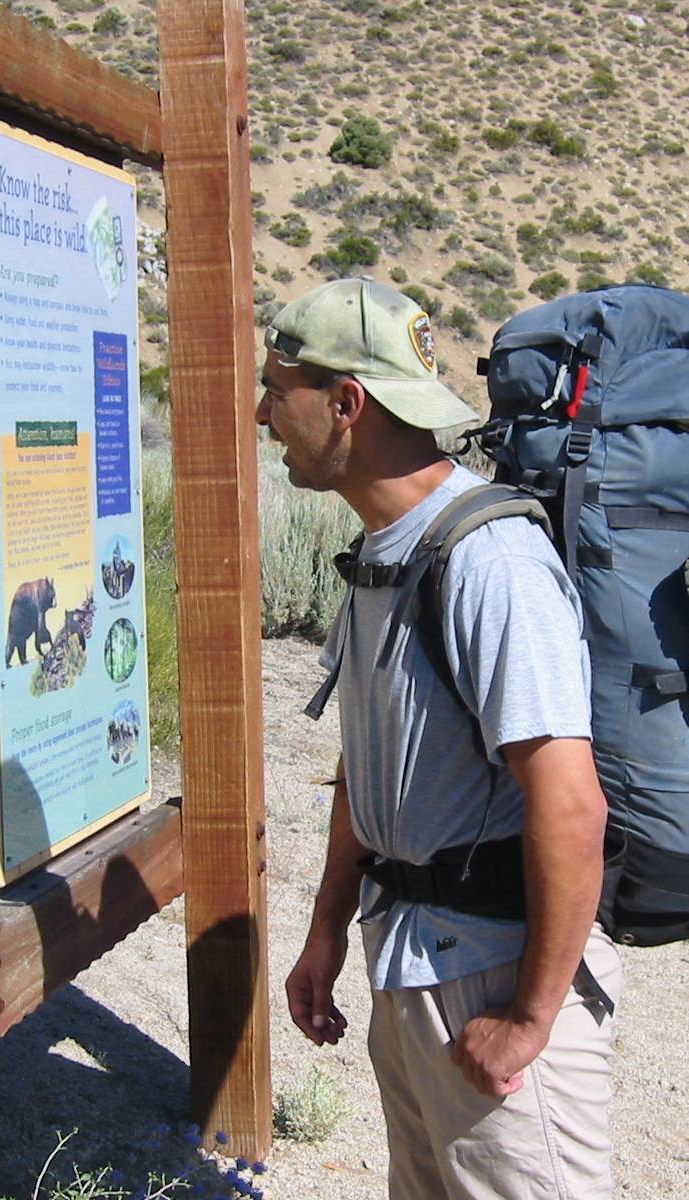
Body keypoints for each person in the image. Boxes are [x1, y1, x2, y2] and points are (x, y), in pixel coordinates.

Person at [263, 278, 620, 1199]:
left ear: (346, 404)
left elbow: (572, 805)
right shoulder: (389, 553)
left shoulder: (489, 562)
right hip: (414, 967)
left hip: (493, 983)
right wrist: (327, 929)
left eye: (278, 388)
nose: (264, 413)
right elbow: (371, 763)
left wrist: (532, 1018)